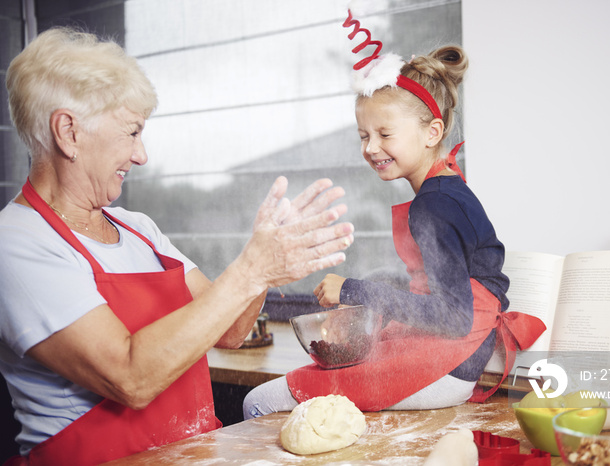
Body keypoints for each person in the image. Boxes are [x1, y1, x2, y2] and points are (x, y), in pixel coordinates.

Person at [0, 27, 354, 465]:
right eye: (131, 132)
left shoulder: (139, 229)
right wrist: (249, 270)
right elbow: (130, 377)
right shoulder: (15, 243)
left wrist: (265, 269)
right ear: (68, 132)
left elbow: (230, 331)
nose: (142, 154)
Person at [243, 23, 545, 419]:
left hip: (448, 363)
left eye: (385, 133)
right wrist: (384, 278)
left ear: (432, 132)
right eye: (363, 135)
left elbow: (452, 318)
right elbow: (444, 281)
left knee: (259, 402)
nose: (371, 148)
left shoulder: (432, 206)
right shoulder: (448, 189)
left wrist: (353, 290)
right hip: (461, 359)